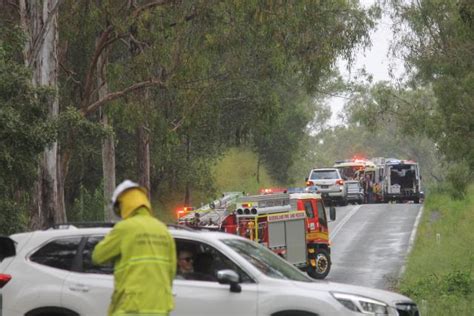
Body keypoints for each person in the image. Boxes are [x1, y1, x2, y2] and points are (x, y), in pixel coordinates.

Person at [92, 180, 176, 316]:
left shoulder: (125, 228)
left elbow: (97, 256)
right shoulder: (163, 230)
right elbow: (171, 270)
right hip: (160, 307)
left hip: (131, 307)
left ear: (122, 206)